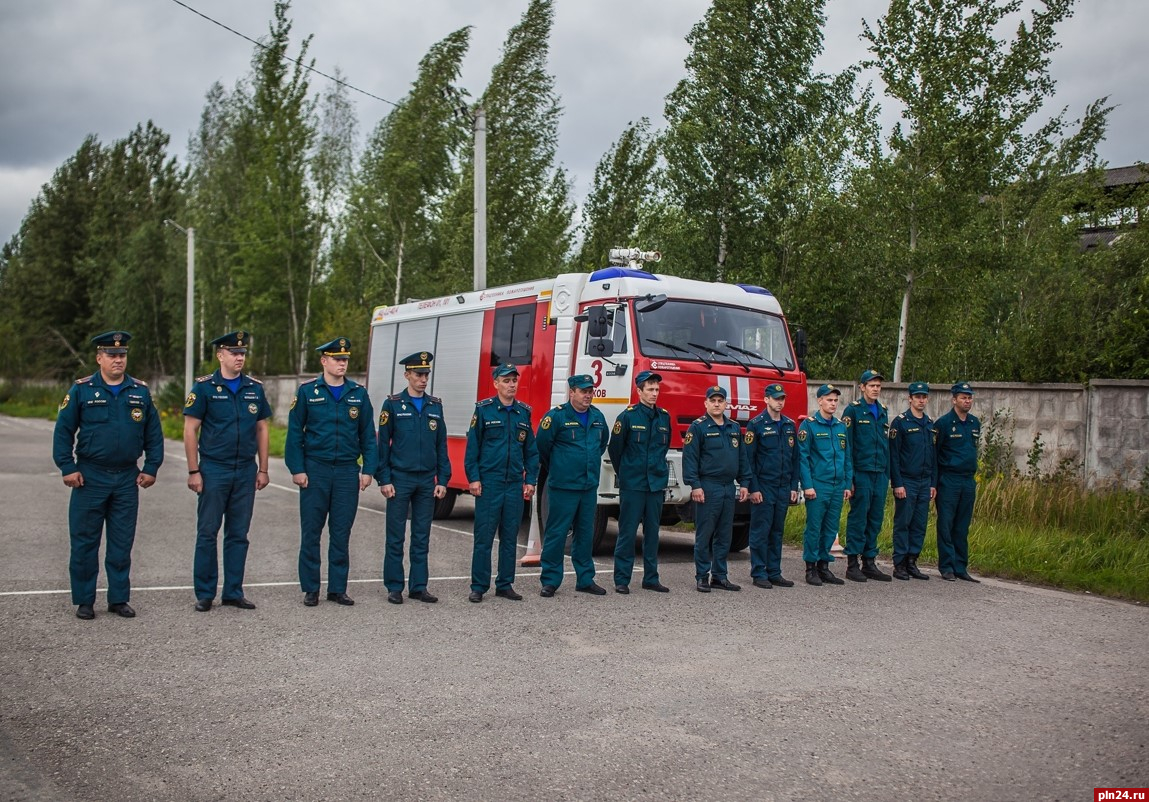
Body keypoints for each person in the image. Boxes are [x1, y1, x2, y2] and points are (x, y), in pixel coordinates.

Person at [53, 331, 164, 620]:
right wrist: (68, 467)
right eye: (112, 355)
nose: (118, 360)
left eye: (122, 355)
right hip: (90, 477)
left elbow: (154, 434)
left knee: (121, 543)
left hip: (127, 478)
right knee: (85, 542)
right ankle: (85, 600)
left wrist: (151, 467)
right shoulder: (82, 389)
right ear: (99, 358)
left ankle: (118, 599)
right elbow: (63, 431)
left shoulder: (139, 391)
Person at [184, 331, 272, 612]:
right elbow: (190, 430)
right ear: (220, 355)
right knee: (208, 532)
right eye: (234, 353)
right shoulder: (205, 388)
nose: (239, 357)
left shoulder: (254, 388)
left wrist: (264, 469)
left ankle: (233, 591)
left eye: (242, 353)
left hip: (245, 470)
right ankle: (205, 593)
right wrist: (194, 470)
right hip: (214, 469)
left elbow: (261, 428)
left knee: (238, 534)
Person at [285, 337, 377, 607]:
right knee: (311, 532)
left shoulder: (358, 394)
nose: (342, 363)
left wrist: (368, 468)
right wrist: (297, 468)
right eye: (337, 359)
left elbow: (368, 437)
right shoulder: (307, 392)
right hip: (316, 471)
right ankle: (311, 588)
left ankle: (337, 588)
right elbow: (294, 434)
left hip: (347, 472)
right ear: (324, 361)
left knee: (341, 532)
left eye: (345, 359)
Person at [375, 351, 451, 604]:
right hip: (400, 479)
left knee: (422, 536)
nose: (423, 379)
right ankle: (394, 586)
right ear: (407, 375)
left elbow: (441, 445)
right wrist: (383, 479)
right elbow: (382, 445)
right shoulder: (393, 404)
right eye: (418, 374)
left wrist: (442, 480)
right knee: (395, 536)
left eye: (426, 374)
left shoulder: (435, 405)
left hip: (426, 479)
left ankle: (418, 586)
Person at [464, 363, 539, 603]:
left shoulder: (523, 413)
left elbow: (531, 451)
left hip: (514, 484)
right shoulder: (484, 411)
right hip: (490, 483)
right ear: (496, 383)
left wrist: (531, 480)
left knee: (510, 538)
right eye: (506, 381)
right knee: (484, 538)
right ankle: (479, 586)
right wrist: (474, 478)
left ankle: (505, 584)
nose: (511, 385)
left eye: (514, 380)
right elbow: (473, 448)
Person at [535, 374, 610, 597]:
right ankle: (550, 580)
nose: (588, 395)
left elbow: (601, 443)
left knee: (585, 534)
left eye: (591, 391)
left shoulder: (597, 417)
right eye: (583, 391)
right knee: (557, 533)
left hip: (587, 486)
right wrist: (561, 467)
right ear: (572, 392)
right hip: (563, 486)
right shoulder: (557, 416)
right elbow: (542, 446)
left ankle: (585, 579)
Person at [607, 370, 672, 594]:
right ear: (639, 391)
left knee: (653, 533)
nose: (654, 394)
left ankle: (651, 578)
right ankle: (622, 579)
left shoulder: (664, 417)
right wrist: (626, 474)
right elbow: (615, 449)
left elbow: (663, 447)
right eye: (650, 390)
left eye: (657, 390)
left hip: (655, 484)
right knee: (627, 532)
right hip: (633, 484)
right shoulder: (627, 417)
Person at [682, 385, 750, 593]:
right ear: (706, 403)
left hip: (729, 487)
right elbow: (690, 459)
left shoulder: (733, 428)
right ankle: (702, 576)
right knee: (705, 534)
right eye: (713, 400)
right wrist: (695, 485)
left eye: (720, 400)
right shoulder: (698, 427)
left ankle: (720, 576)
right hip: (708, 486)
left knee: (724, 534)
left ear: (726, 404)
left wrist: (745, 482)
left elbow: (742, 458)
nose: (717, 404)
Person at [743, 383, 799, 589]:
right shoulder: (756, 425)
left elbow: (795, 459)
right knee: (760, 531)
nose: (780, 402)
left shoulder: (788, 424)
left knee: (777, 531)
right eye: (776, 398)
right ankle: (759, 572)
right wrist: (753, 488)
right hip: (764, 486)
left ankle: (774, 571)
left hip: (783, 486)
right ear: (766, 399)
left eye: (782, 398)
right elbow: (749, 460)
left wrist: (794, 486)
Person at [797, 384, 853, 586]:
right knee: (814, 528)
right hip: (818, 485)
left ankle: (824, 566)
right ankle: (810, 567)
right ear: (819, 400)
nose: (833, 403)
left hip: (837, 486)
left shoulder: (840, 426)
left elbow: (847, 457)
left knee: (831, 527)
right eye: (829, 399)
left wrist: (847, 483)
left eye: (835, 400)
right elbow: (803, 458)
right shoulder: (809, 426)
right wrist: (808, 485)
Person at [841, 369, 892, 582]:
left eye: (878, 386)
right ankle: (852, 563)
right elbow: (847, 446)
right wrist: (849, 477)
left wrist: (887, 475)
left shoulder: (883, 410)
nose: (875, 389)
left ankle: (869, 561)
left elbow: (885, 444)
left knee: (875, 518)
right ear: (862, 387)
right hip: (861, 473)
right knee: (859, 518)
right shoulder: (853, 411)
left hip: (879, 473)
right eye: (871, 385)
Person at [934, 381, 982, 583]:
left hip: (967, 480)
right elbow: (935, 455)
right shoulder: (943, 424)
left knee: (962, 526)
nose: (967, 400)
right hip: (949, 479)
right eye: (963, 397)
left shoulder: (974, 423)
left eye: (969, 397)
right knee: (946, 524)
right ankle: (946, 566)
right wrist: (935, 484)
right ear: (954, 400)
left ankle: (960, 566)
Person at [889, 381, 936, 581]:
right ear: (910, 398)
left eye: (924, 396)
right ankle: (899, 564)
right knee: (903, 523)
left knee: (919, 524)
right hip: (906, 481)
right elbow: (894, 456)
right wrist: (897, 483)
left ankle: (912, 561)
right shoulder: (900, 423)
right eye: (917, 396)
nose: (921, 400)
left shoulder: (929, 424)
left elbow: (933, 456)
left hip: (924, 482)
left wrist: (933, 483)